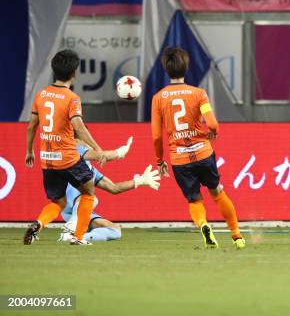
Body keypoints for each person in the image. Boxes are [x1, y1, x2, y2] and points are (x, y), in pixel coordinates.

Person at [151, 47, 246, 249]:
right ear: (186, 67)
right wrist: (214, 132)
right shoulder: (199, 94)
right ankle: (236, 235)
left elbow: (157, 136)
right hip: (203, 152)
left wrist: (160, 161)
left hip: (179, 159)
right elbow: (212, 123)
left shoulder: (158, 98)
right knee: (217, 192)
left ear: (166, 69)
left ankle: (203, 224)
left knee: (194, 200)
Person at [24, 50, 106, 245]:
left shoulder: (41, 95)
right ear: (73, 73)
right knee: (89, 193)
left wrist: (29, 151)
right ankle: (78, 237)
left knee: (59, 202)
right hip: (68, 158)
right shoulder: (72, 98)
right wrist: (97, 148)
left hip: (47, 159)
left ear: (54, 71)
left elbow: (31, 126)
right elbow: (78, 126)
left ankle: (38, 224)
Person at [58, 139, 161, 242]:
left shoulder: (91, 170)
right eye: (86, 140)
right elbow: (102, 156)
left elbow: (114, 188)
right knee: (91, 198)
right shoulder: (72, 151)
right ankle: (72, 225)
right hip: (70, 204)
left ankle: (76, 237)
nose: (89, 144)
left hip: (84, 210)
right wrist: (120, 152)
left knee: (115, 230)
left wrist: (138, 181)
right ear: (77, 139)